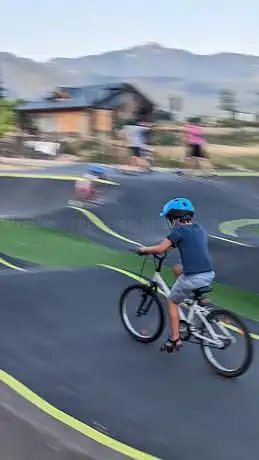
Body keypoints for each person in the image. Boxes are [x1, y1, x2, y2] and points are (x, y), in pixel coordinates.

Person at [138, 197, 215, 353]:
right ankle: (199, 298)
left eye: (168, 218)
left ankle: (175, 339)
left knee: (172, 301)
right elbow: (192, 245)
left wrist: (144, 249)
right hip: (209, 273)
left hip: (193, 277)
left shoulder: (178, 231)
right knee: (177, 269)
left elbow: (160, 249)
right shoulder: (199, 228)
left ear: (173, 218)